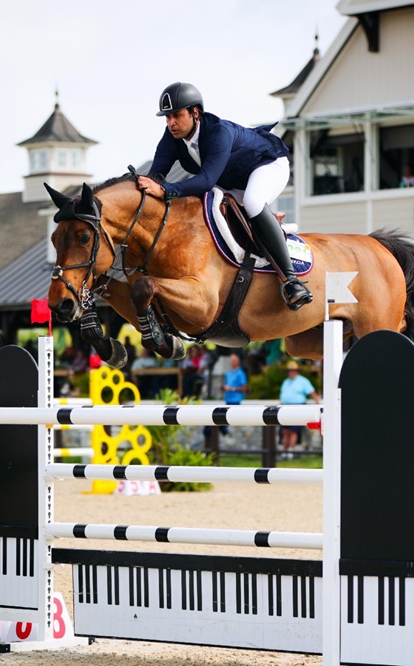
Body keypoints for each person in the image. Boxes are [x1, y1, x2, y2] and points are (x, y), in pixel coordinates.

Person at [137, 82, 312, 311]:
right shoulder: (172, 138)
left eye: (177, 116)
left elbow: (206, 181)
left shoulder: (218, 132)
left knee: (252, 201)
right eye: (167, 118)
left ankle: (291, 280)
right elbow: (156, 175)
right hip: (232, 183)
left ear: (195, 112)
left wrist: (166, 191)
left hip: (267, 165)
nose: (171, 123)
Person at [279, 360, 320, 460]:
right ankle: (284, 451)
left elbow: (313, 393)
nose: (291, 372)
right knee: (285, 431)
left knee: (294, 431)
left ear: (297, 371)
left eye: (293, 370)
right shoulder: (286, 382)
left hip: (297, 408)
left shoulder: (303, 381)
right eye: (290, 371)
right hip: (285, 407)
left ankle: (290, 452)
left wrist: (318, 405)